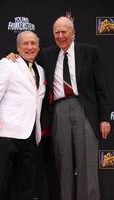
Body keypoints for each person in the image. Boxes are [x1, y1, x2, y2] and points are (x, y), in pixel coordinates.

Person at [6, 16, 111, 200]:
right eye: (57, 32)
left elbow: (101, 87)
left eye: (64, 31)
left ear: (73, 33)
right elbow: (28, 57)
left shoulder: (90, 51)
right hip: (59, 111)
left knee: (87, 163)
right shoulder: (46, 54)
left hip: (84, 109)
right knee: (63, 165)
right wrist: (12, 57)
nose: (60, 35)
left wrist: (104, 118)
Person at [0, 31, 45, 200]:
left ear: (38, 48)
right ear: (18, 47)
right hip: (6, 133)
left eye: (33, 43)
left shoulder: (40, 70)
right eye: (26, 43)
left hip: (31, 135)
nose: (30, 47)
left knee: (25, 186)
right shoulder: (8, 63)